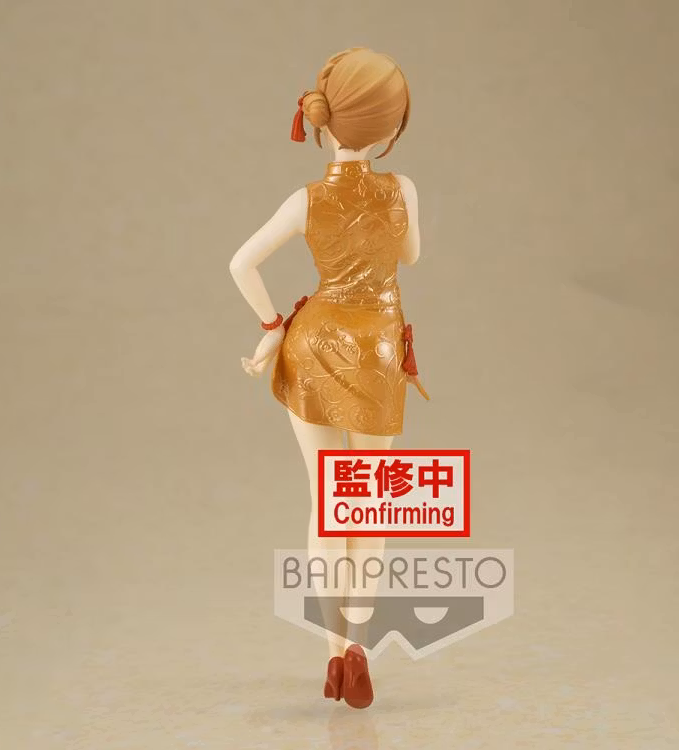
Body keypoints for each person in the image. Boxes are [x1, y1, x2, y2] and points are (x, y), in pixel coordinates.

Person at [229, 47, 427, 709]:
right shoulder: (402, 190)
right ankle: (360, 645)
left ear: (321, 124)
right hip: (376, 351)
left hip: (313, 346)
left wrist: (271, 327)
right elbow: (410, 254)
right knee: (364, 503)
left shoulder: (305, 200)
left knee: (324, 502)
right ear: (392, 129)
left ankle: (333, 653)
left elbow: (241, 264)